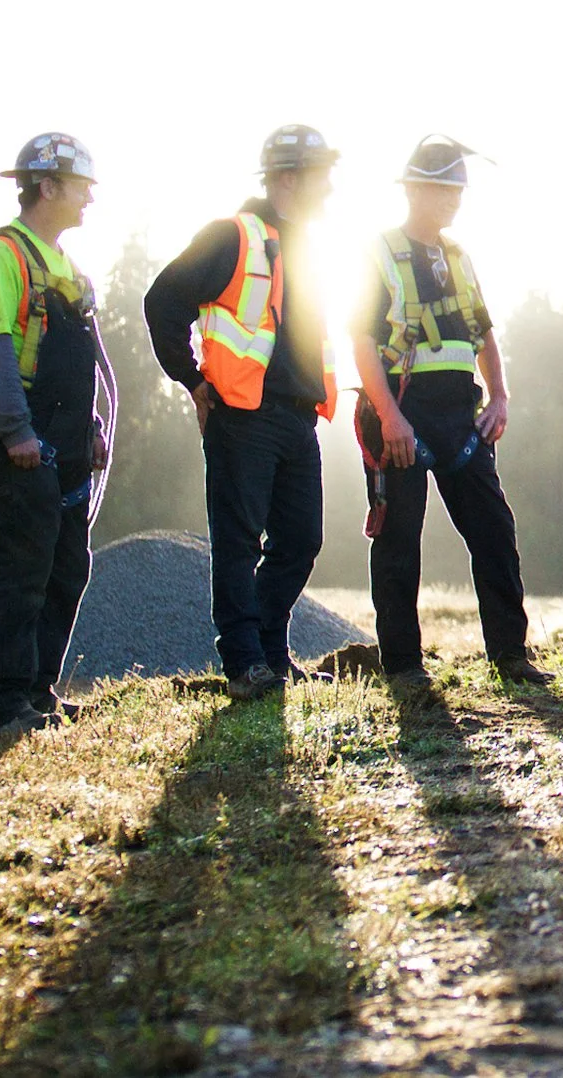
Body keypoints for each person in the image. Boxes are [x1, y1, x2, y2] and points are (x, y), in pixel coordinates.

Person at [349, 136, 553, 692]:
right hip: (401, 415)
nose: (453, 200)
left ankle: (511, 655)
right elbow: (362, 341)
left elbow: (484, 332)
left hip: (461, 418)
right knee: (398, 542)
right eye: (443, 189)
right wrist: (390, 418)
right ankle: (404, 668)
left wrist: (502, 397)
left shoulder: (460, 258)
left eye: (458, 190)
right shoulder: (379, 254)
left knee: (493, 529)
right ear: (414, 189)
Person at [145, 125, 340, 702]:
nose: (330, 188)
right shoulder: (233, 236)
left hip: (298, 418)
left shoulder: (312, 246)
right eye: (320, 176)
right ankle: (245, 663)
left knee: (301, 541)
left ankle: (271, 652)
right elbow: (162, 302)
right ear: (286, 178)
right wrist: (191, 380)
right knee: (238, 542)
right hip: (243, 416)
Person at [0, 134, 117, 735]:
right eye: (82, 187)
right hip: (25, 440)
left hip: (70, 441)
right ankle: (3, 703)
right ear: (46, 185)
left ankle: (37, 692)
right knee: (19, 570)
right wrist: (15, 431)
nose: (89, 200)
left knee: (65, 569)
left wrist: (94, 428)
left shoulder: (69, 268)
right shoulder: (0, 254)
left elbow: (81, 362)